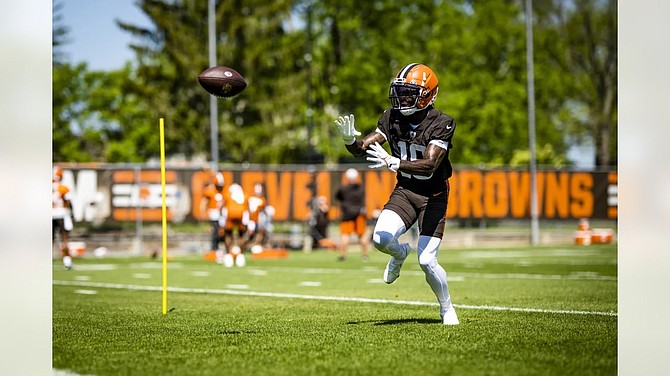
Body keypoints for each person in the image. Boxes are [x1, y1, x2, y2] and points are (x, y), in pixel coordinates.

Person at [334, 63, 459, 325]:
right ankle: (399, 254)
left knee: (426, 260)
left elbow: (430, 165)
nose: (402, 98)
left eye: (408, 92)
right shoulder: (392, 117)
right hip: (405, 191)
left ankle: (446, 308)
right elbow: (363, 148)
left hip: (433, 195)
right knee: (380, 238)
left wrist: (395, 163)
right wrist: (349, 141)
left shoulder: (442, 123)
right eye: (400, 91)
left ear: (428, 95)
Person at [334, 168, 370, 261]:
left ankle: (343, 255)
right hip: (359, 213)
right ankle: (365, 255)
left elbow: (337, 197)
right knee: (362, 235)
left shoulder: (343, 188)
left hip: (346, 214)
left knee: (345, 235)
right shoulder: (361, 188)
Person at [220, 183, 250, 267]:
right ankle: (240, 256)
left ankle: (229, 255)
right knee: (241, 235)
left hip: (230, 214)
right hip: (241, 214)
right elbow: (247, 208)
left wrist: (222, 221)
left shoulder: (227, 194)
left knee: (228, 234)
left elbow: (223, 207)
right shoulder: (245, 195)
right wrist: (248, 221)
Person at [52, 166, 74, 270]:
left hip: (51, 214)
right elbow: (69, 202)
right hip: (61, 214)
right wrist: (72, 214)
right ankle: (67, 261)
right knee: (64, 238)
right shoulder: (63, 188)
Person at [202, 172, 226, 261]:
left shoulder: (224, 191)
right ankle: (214, 249)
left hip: (222, 214)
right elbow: (204, 201)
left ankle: (221, 249)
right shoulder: (210, 190)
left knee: (222, 232)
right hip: (214, 213)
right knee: (215, 232)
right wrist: (204, 212)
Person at [246, 183, 273, 254]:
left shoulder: (259, 199)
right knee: (250, 235)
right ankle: (246, 246)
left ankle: (254, 246)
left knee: (259, 233)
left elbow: (263, 210)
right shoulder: (252, 198)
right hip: (251, 219)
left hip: (256, 219)